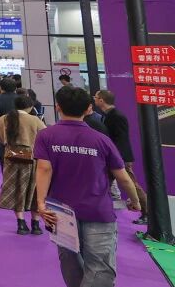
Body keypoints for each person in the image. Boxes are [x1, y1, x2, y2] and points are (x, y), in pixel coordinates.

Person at [36, 86, 141, 287]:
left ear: (58, 107)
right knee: (100, 266)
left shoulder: (46, 136)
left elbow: (44, 169)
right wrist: (134, 201)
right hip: (98, 210)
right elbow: (123, 178)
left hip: (59, 211)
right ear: (88, 109)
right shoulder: (102, 140)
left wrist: (41, 203)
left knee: (69, 260)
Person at [93, 89, 147, 223]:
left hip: (120, 158)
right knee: (104, 184)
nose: (94, 99)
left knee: (132, 184)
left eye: (96, 97)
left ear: (101, 100)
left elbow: (121, 139)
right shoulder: (108, 115)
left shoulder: (116, 116)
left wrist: (116, 157)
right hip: (114, 157)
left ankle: (146, 213)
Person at [0, 94, 46, 235]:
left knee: (16, 188)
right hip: (32, 159)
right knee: (34, 190)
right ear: (30, 106)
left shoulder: (4, 118)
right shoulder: (35, 120)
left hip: (11, 157)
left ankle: (21, 224)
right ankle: (36, 224)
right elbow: (44, 136)